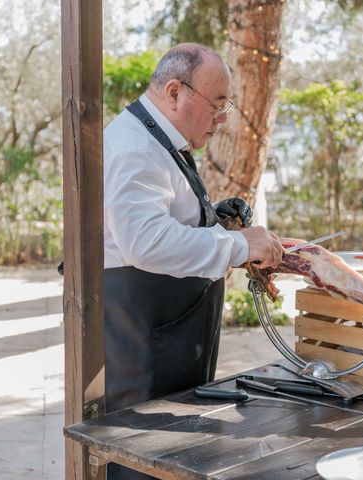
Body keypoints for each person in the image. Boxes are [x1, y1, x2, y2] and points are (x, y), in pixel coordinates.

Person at [103, 43, 284, 479]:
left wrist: (214, 219)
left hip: (170, 334)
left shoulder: (155, 138)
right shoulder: (133, 148)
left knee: (174, 450)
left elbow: (164, 215)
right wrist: (240, 247)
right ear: (174, 92)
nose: (222, 120)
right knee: (143, 456)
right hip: (146, 342)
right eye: (217, 105)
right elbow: (144, 241)